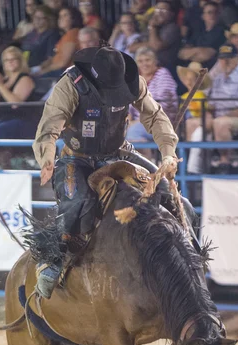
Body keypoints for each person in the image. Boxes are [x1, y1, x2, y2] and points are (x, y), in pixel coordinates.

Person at [32, 45, 183, 298]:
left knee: (168, 194)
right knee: (77, 201)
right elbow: (49, 126)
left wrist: (168, 152)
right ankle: (52, 260)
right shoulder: (71, 84)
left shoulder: (133, 81)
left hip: (119, 152)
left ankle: (189, 254)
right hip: (77, 158)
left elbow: (155, 116)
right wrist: (47, 157)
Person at [186, 44, 238, 172]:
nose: (225, 61)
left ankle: (225, 162)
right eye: (222, 58)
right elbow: (211, 105)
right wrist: (208, 114)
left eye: (229, 58)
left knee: (220, 123)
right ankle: (195, 165)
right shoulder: (218, 79)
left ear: (237, 59)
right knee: (192, 123)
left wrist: (217, 117)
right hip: (220, 117)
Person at [0, 46, 39, 139]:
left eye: (13, 59)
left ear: (20, 61)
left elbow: (15, 104)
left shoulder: (25, 78)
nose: (10, 62)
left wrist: (0, 85)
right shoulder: (3, 80)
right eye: (7, 60)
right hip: (5, 118)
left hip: (23, 119)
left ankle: (6, 153)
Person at [127, 46, 178, 146]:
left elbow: (163, 105)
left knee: (134, 132)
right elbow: (128, 105)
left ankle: (146, 161)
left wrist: (139, 121)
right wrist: (128, 121)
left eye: (147, 60)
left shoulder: (162, 74)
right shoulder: (136, 79)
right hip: (138, 123)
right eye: (140, 61)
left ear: (155, 61)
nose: (144, 64)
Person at [132, 1, 182, 73]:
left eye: (163, 10)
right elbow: (132, 47)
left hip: (164, 69)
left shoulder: (173, 28)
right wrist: (150, 43)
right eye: (157, 9)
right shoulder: (153, 26)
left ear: (172, 14)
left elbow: (156, 46)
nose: (159, 13)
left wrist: (153, 27)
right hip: (147, 68)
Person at [36, 7, 83, 77]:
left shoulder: (72, 34)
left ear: (73, 18)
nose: (61, 18)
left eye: (65, 15)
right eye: (60, 16)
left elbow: (63, 62)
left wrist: (44, 71)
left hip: (64, 73)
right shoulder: (67, 34)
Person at [178, 1, 226, 67]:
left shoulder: (222, 33)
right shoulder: (198, 31)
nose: (213, 15)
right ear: (203, 16)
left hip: (208, 70)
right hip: (190, 69)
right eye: (209, 12)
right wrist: (198, 50)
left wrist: (191, 52)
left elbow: (207, 55)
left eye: (216, 12)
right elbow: (181, 53)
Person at [20, 5, 60, 71]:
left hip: (40, 71)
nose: (37, 20)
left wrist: (36, 69)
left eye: (40, 18)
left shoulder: (52, 35)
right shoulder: (31, 34)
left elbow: (51, 58)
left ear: (48, 19)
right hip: (25, 67)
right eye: (35, 17)